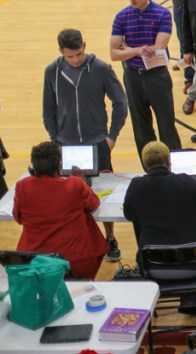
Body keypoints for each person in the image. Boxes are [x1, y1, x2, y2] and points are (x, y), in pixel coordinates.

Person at [42, 28, 127, 262]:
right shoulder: (52, 71)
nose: (76, 59)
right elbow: (48, 108)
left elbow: (120, 102)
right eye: (70, 56)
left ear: (85, 45)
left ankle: (110, 237)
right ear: (61, 52)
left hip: (98, 142)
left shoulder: (101, 68)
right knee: (69, 195)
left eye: (79, 54)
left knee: (105, 193)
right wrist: (54, 138)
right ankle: (73, 239)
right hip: (66, 145)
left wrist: (112, 136)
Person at [123, 141, 196, 315]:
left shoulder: (136, 186)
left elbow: (128, 214)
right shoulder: (186, 182)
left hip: (154, 266)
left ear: (145, 164)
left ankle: (171, 298)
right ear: (168, 160)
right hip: (195, 263)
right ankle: (192, 298)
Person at [13, 141, 109, 280]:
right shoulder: (74, 184)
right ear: (59, 165)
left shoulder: (22, 186)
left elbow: (18, 219)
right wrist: (79, 180)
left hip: (35, 260)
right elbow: (93, 204)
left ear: (33, 166)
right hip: (75, 261)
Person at [110, 0, 181, 157]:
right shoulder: (121, 17)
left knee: (167, 126)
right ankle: (150, 169)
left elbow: (158, 48)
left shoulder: (163, 14)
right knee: (141, 129)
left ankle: (175, 168)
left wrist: (128, 48)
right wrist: (137, 50)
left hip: (157, 76)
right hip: (133, 77)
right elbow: (114, 53)